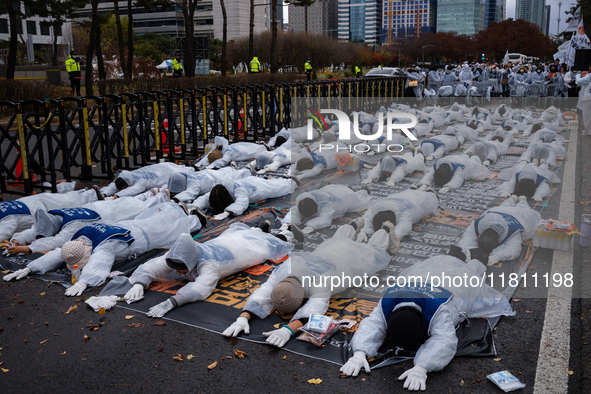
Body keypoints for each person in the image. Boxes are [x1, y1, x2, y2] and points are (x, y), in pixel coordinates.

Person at [340, 255, 515, 391]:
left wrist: (422, 367)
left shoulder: (440, 310)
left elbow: (444, 340)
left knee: (473, 269)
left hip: (458, 278)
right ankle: (461, 256)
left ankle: (478, 259)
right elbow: (373, 324)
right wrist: (360, 353)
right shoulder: (388, 303)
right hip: (426, 273)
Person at [222, 219, 401, 345]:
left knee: (373, 253)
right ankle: (355, 224)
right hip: (331, 250)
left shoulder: (320, 283)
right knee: (337, 241)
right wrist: (242, 318)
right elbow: (264, 293)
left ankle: (385, 229)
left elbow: (313, 310)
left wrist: (288, 330)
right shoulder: (284, 271)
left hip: (349, 260)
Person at [3, 203, 202, 293]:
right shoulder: (79, 239)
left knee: (171, 228)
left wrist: (85, 282)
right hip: (128, 226)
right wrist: (30, 268)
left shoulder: (104, 247)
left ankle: (194, 216)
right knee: (158, 219)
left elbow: (99, 263)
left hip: (143, 236)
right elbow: (59, 252)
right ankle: (175, 208)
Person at [122, 223, 291, 317]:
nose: (178, 272)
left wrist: (173, 301)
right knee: (247, 235)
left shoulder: (208, 264)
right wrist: (139, 282)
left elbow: (202, 287)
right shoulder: (180, 253)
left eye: (181, 270)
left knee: (267, 245)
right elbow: (153, 266)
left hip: (242, 251)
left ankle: (285, 232)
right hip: (227, 242)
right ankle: (260, 228)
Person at [4, 189, 171, 257]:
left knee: (138, 207)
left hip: (108, 214)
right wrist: (19, 240)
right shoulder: (53, 216)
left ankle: (159, 196)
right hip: (99, 206)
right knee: (129, 201)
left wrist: (29, 248)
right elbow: (36, 229)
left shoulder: (71, 226)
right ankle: (150, 193)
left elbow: (56, 241)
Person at [457, 196, 541, 265]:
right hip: (497, 211)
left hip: (519, 214)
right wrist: (470, 252)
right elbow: (466, 240)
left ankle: (522, 200)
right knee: (504, 206)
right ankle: (513, 198)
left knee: (523, 207)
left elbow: (514, 249)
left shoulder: (513, 231)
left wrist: (496, 256)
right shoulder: (476, 224)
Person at [0, 187, 100, 243]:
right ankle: (88, 193)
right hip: (31, 202)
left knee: (68, 204)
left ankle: (94, 194)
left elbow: (4, 233)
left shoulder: (7, 219)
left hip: (39, 208)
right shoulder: (4, 213)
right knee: (63, 199)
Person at [190, 176, 295, 220]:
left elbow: (242, 203)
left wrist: (228, 212)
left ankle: (294, 180)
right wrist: (195, 207)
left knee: (280, 186)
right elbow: (204, 198)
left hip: (257, 187)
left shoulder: (239, 190)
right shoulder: (218, 189)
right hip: (248, 181)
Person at [356, 189, 439, 242]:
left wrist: (389, 238)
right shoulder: (376, 208)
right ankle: (417, 189)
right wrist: (363, 232)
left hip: (420, 200)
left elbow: (404, 228)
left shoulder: (404, 212)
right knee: (409, 192)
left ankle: (431, 192)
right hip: (402, 195)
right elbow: (366, 219)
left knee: (431, 199)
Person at [291, 184, 371, 233]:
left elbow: (325, 219)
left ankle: (363, 191)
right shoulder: (303, 201)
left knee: (362, 201)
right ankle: (347, 187)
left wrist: (311, 226)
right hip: (329, 189)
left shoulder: (326, 204)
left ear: (317, 208)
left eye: (313, 216)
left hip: (344, 197)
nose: (312, 218)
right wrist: (292, 223)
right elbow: (295, 211)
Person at [100, 162, 192, 198]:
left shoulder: (140, 182)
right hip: (162, 167)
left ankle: (192, 167)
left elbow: (132, 190)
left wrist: (115, 196)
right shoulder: (129, 175)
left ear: (128, 185)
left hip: (166, 171)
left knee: (183, 172)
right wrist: (104, 193)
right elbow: (114, 184)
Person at [167, 167, 251, 203]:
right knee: (228, 171)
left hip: (217, 177)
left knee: (241, 174)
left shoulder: (194, 184)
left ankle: (247, 170)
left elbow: (189, 194)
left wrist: (175, 199)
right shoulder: (185, 177)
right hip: (211, 173)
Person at [417, 155, 491, 194]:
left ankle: (474, 155)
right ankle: (466, 155)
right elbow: (429, 175)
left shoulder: (459, 168)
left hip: (466, 164)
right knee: (464, 157)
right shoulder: (436, 166)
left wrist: (448, 187)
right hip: (454, 158)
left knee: (474, 161)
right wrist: (425, 184)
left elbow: (458, 179)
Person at [195, 136, 268, 169]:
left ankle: (262, 146)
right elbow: (208, 155)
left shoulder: (228, 150)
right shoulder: (217, 148)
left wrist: (214, 164)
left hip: (240, 151)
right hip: (237, 148)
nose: (217, 146)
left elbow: (225, 160)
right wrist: (201, 163)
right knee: (247, 146)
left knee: (251, 149)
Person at [576, 63, 591, 136]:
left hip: (588, 98)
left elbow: (579, 82)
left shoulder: (589, 76)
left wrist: (578, 75)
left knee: (586, 115)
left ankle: (588, 131)